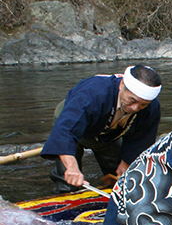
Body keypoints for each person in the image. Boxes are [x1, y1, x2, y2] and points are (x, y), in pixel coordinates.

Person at [40, 65, 162, 193]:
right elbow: (66, 130)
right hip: (71, 123)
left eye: (143, 104)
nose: (135, 108)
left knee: (121, 177)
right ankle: (65, 192)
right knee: (69, 175)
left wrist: (126, 163)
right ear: (122, 85)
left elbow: (141, 140)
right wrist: (72, 167)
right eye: (132, 100)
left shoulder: (151, 107)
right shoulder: (92, 93)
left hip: (110, 132)